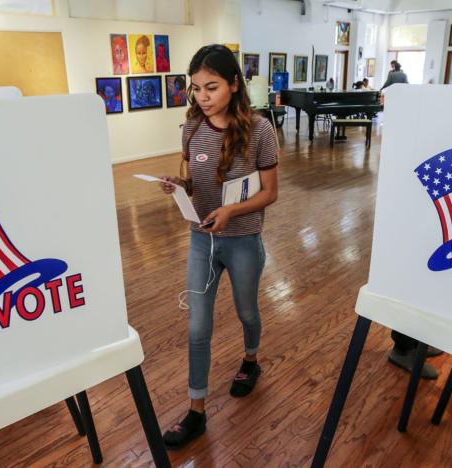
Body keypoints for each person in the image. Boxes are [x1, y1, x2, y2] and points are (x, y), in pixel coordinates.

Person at [157, 44, 279, 449]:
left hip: (243, 239)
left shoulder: (260, 129)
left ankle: (250, 360)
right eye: (196, 89)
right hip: (201, 240)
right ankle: (196, 412)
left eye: (211, 87)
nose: (203, 97)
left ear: (233, 84)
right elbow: (195, 182)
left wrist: (232, 212)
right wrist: (179, 186)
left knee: (247, 310)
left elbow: (270, 194)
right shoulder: (191, 127)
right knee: (197, 327)